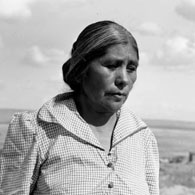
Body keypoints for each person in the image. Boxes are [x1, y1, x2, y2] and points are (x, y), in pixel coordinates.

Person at [0, 20, 159, 195]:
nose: (124, 79)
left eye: (131, 68)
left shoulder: (141, 137)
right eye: (112, 65)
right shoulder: (35, 130)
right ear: (82, 68)